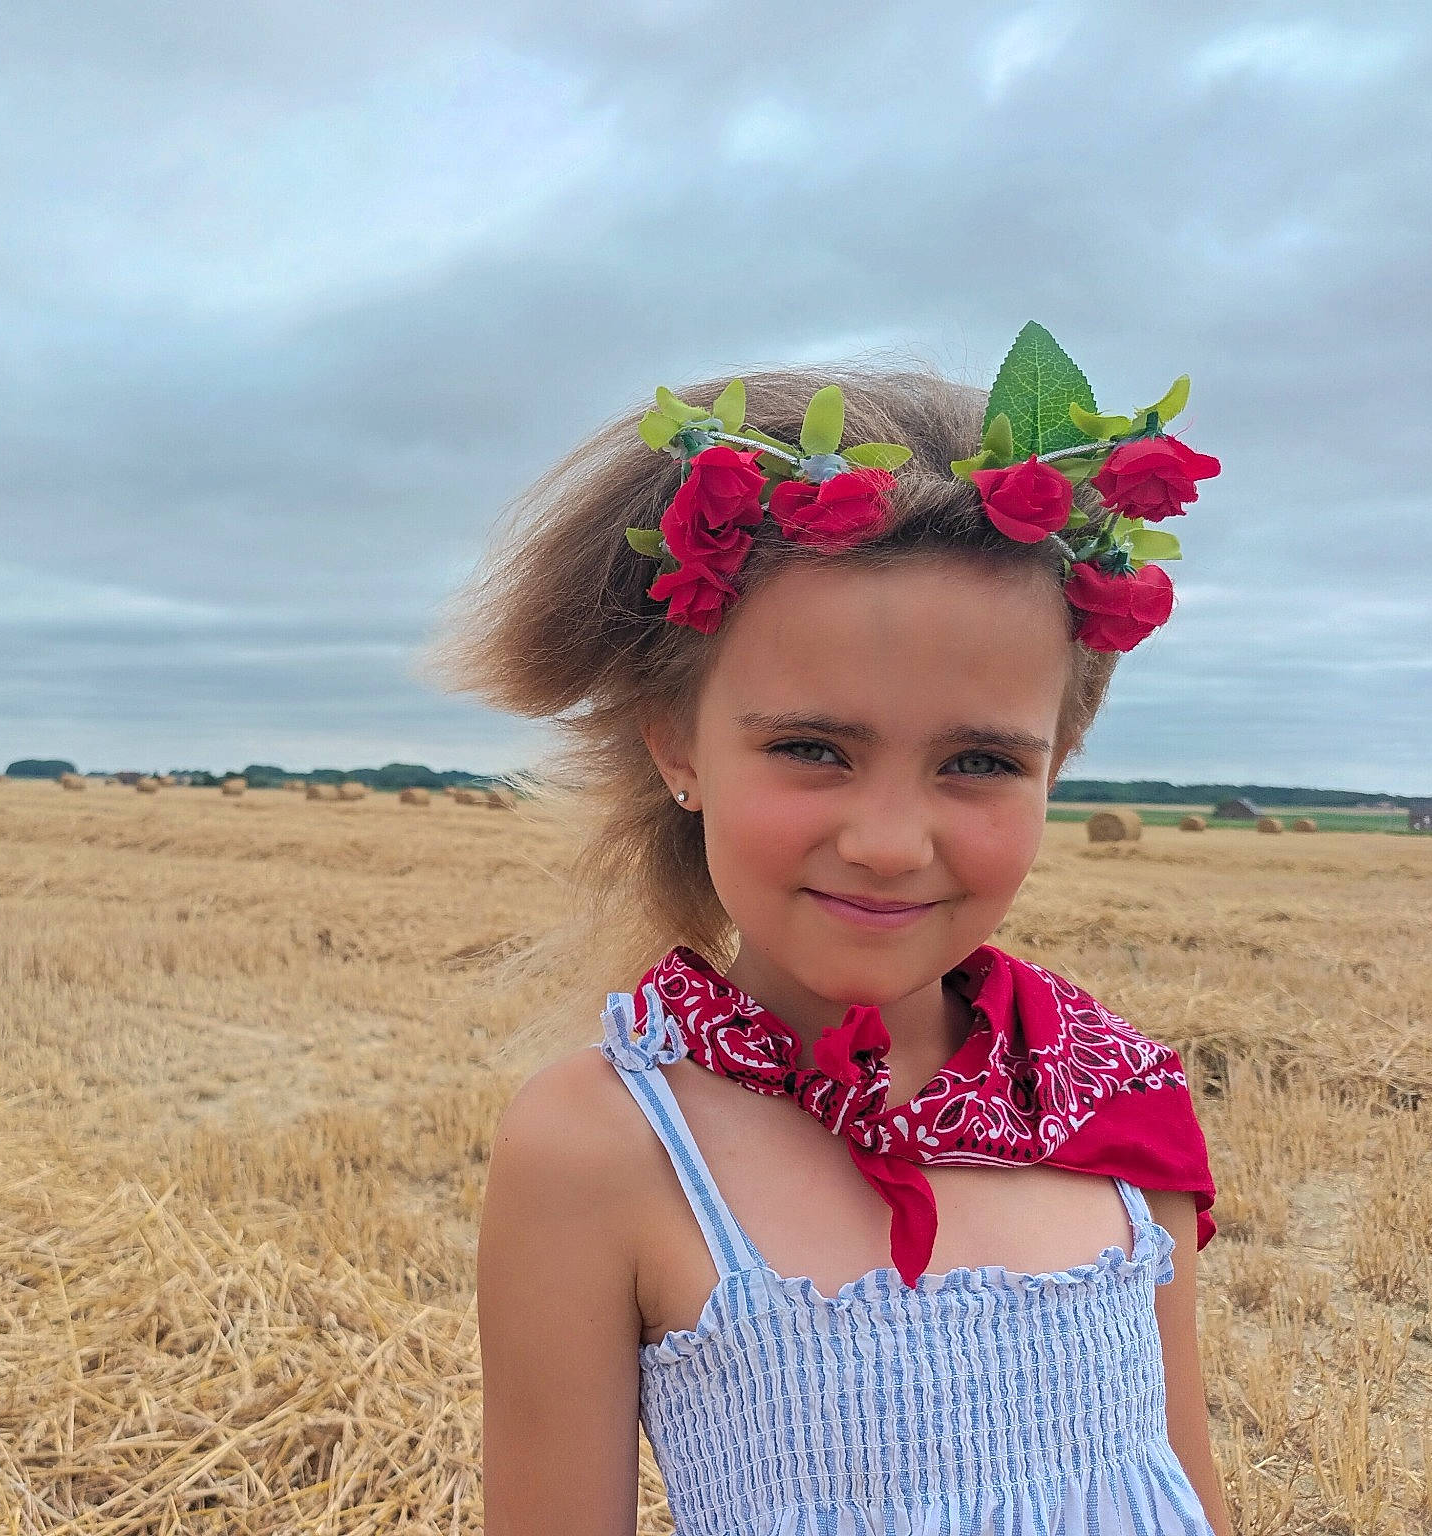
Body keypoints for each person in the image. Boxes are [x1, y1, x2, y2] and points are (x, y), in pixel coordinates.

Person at [434, 326, 1232, 1534]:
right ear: (674, 744)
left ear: (1056, 766)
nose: (888, 841)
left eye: (977, 762)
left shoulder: (1113, 1095)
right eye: (812, 747)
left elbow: (1184, 1492)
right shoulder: (601, 1149)